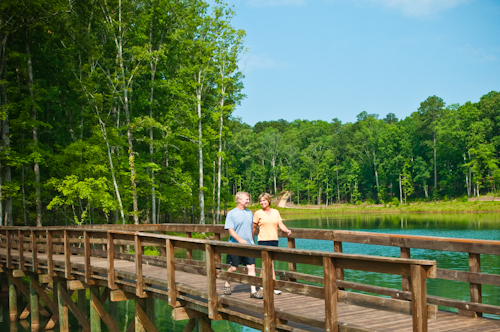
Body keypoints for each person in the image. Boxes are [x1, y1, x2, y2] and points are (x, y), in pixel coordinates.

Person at [224, 191, 262, 299]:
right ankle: (227, 283)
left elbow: (252, 228)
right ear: (239, 200)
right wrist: (239, 239)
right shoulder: (232, 213)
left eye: (248, 199)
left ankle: (253, 291)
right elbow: (230, 230)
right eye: (247, 199)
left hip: (249, 245)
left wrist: (252, 241)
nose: (248, 201)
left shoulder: (249, 213)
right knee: (234, 268)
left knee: (251, 267)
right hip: (235, 245)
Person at [253, 193, 292, 295]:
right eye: (261, 201)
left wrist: (287, 230)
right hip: (263, 240)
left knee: (266, 263)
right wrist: (251, 239)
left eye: (264, 200)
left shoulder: (275, 212)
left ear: (268, 201)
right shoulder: (258, 213)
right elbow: (253, 228)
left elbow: (280, 224)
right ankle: (274, 286)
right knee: (271, 264)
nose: (262, 202)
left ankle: (260, 282)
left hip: (274, 240)